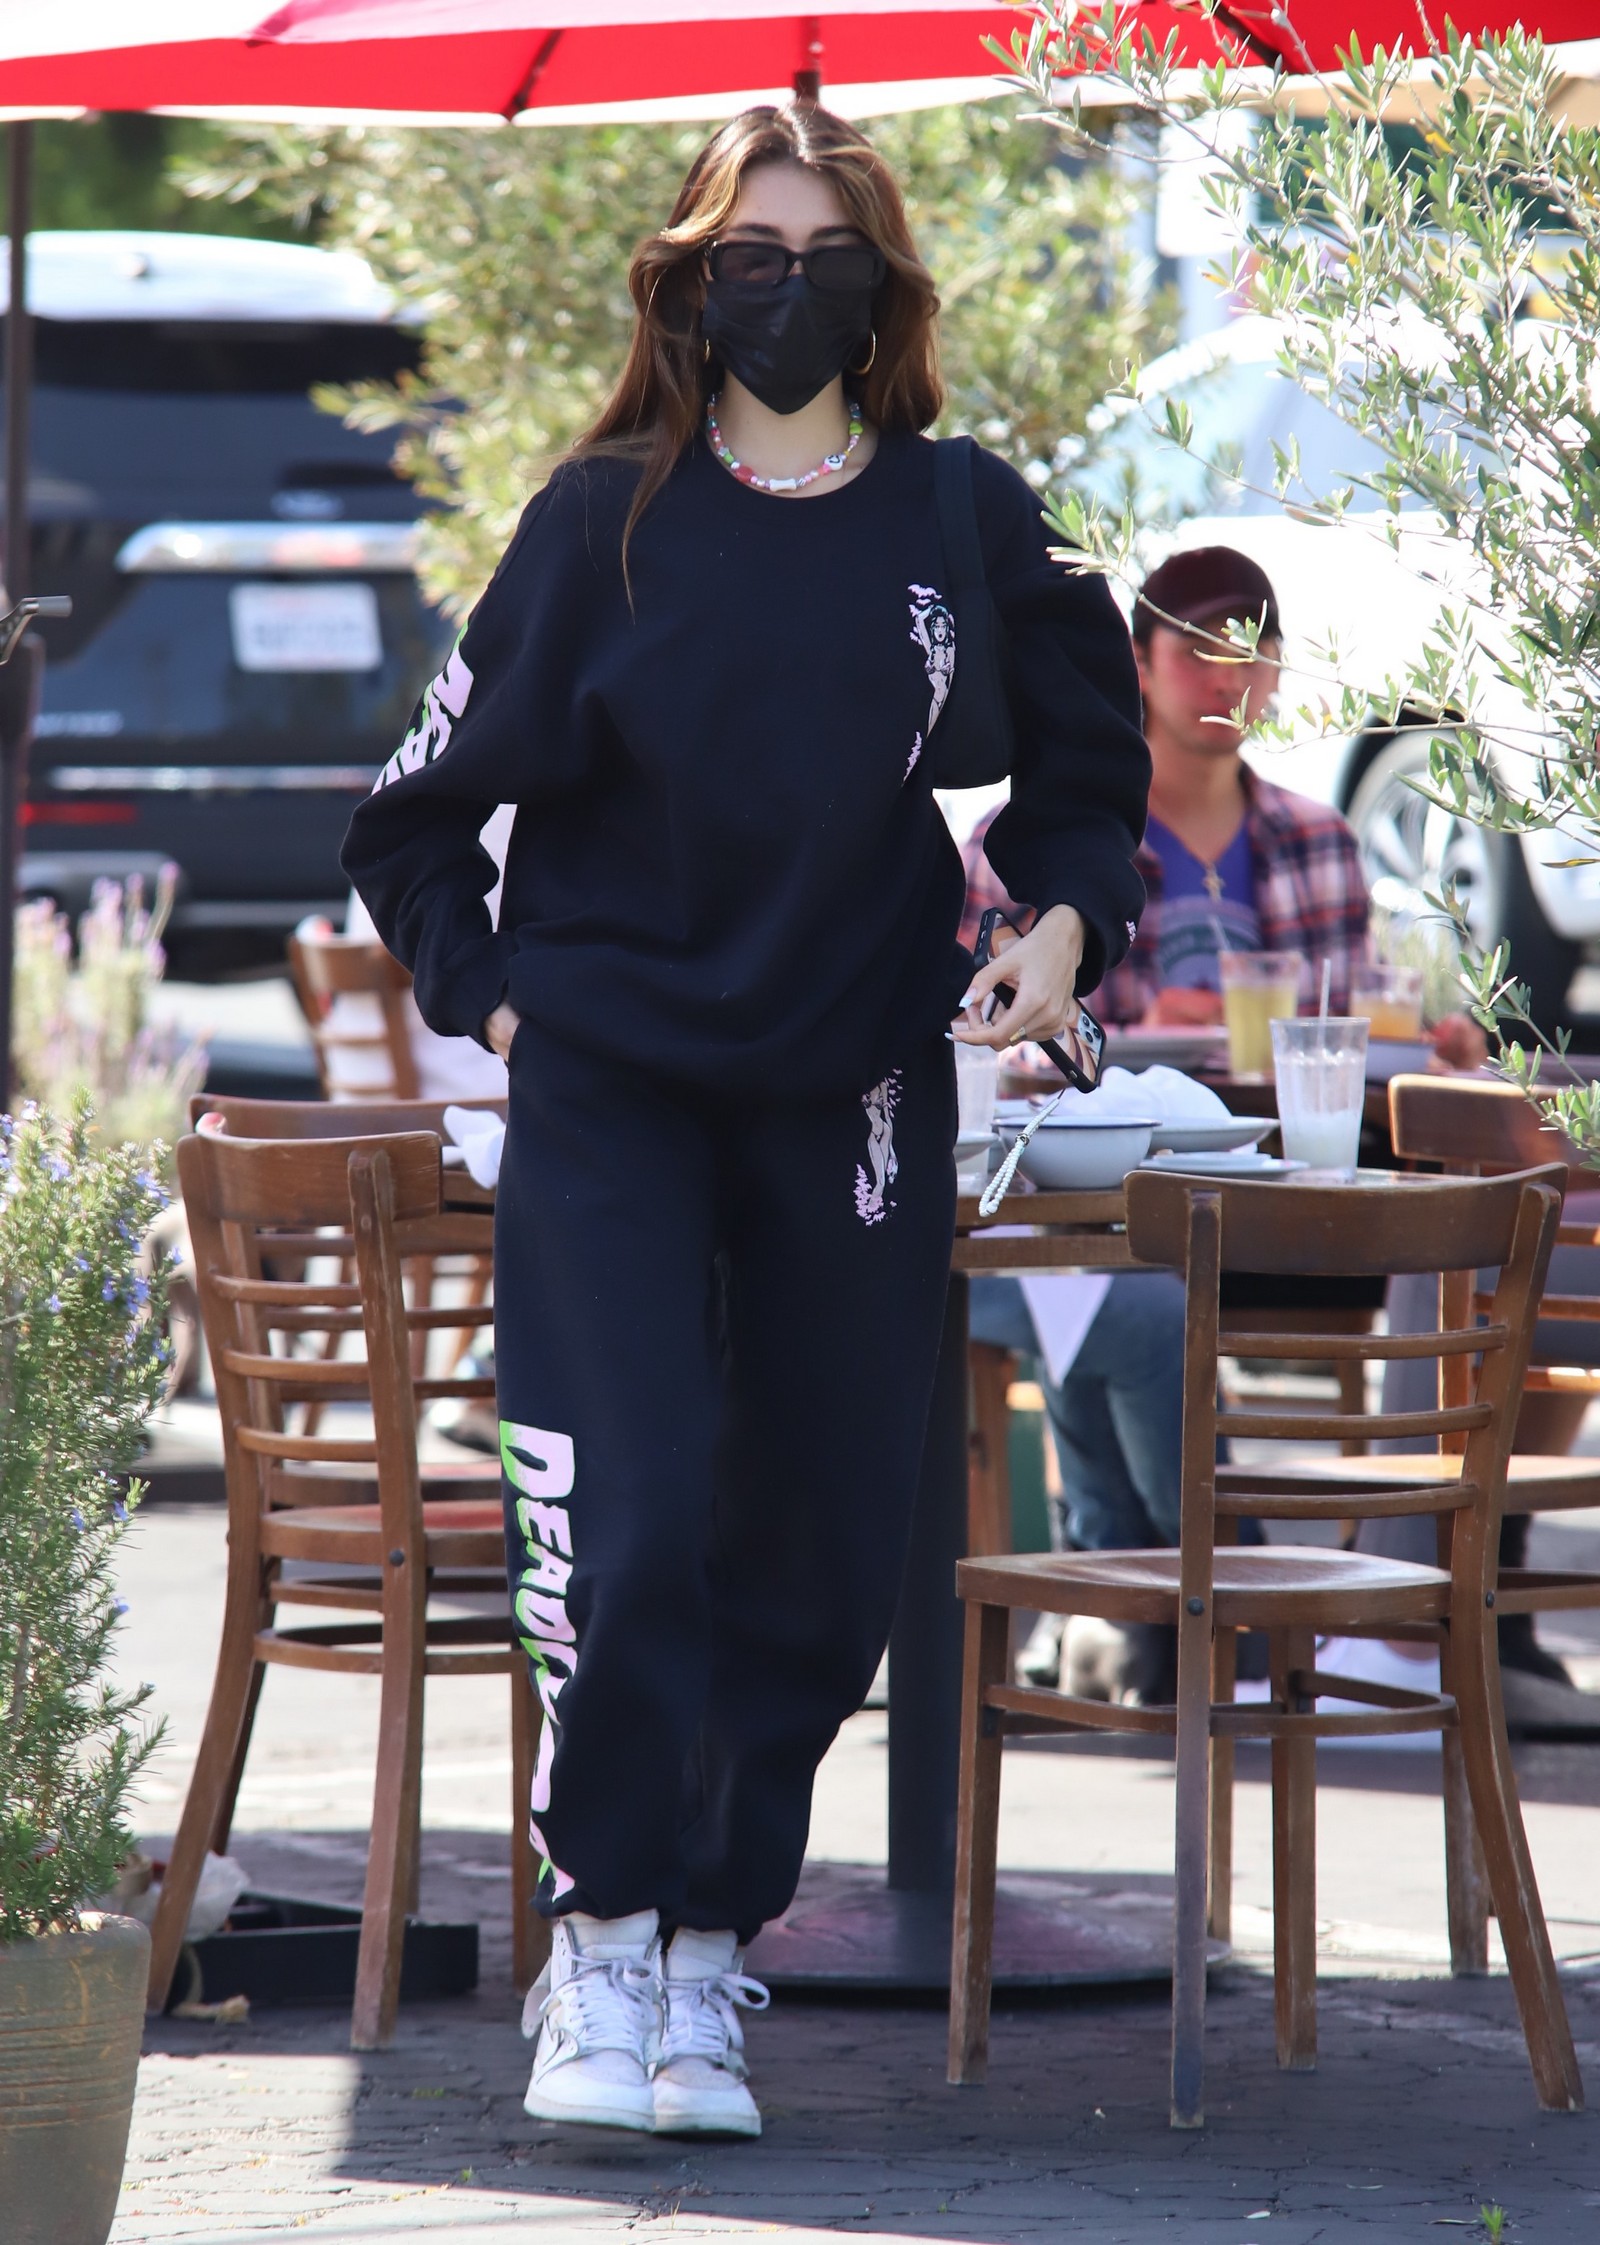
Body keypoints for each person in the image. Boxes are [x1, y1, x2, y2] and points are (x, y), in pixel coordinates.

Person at [342, 103, 1148, 2140]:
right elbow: (409, 824)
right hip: (611, 1093)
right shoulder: (596, 524)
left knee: (816, 1543)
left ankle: (708, 1954)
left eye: (826, 254)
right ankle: (602, 1937)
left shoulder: (966, 517)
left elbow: (1085, 763)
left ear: (884, 288)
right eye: (751, 256)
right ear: (691, 288)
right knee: (627, 1521)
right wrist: (504, 1007)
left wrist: (1057, 932)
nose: (789, 289)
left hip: (853, 1089)